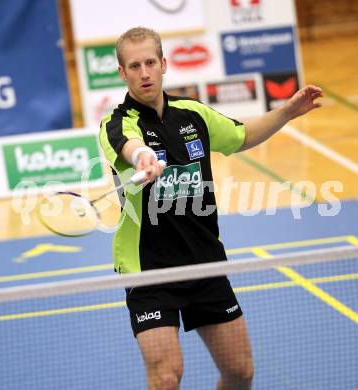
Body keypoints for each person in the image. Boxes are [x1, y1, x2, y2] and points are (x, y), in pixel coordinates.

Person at [99, 27, 323, 390]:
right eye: (135, 65)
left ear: (163, 64)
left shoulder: (192, 114)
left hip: (204, 259)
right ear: (122, 73)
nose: (144, 73)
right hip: (149, 269)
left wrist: (286, 113)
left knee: (240, 372)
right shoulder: (117, 123)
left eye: (150, 63)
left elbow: (242, 135)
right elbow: (129, 145)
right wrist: (143, 158)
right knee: (166, 378)